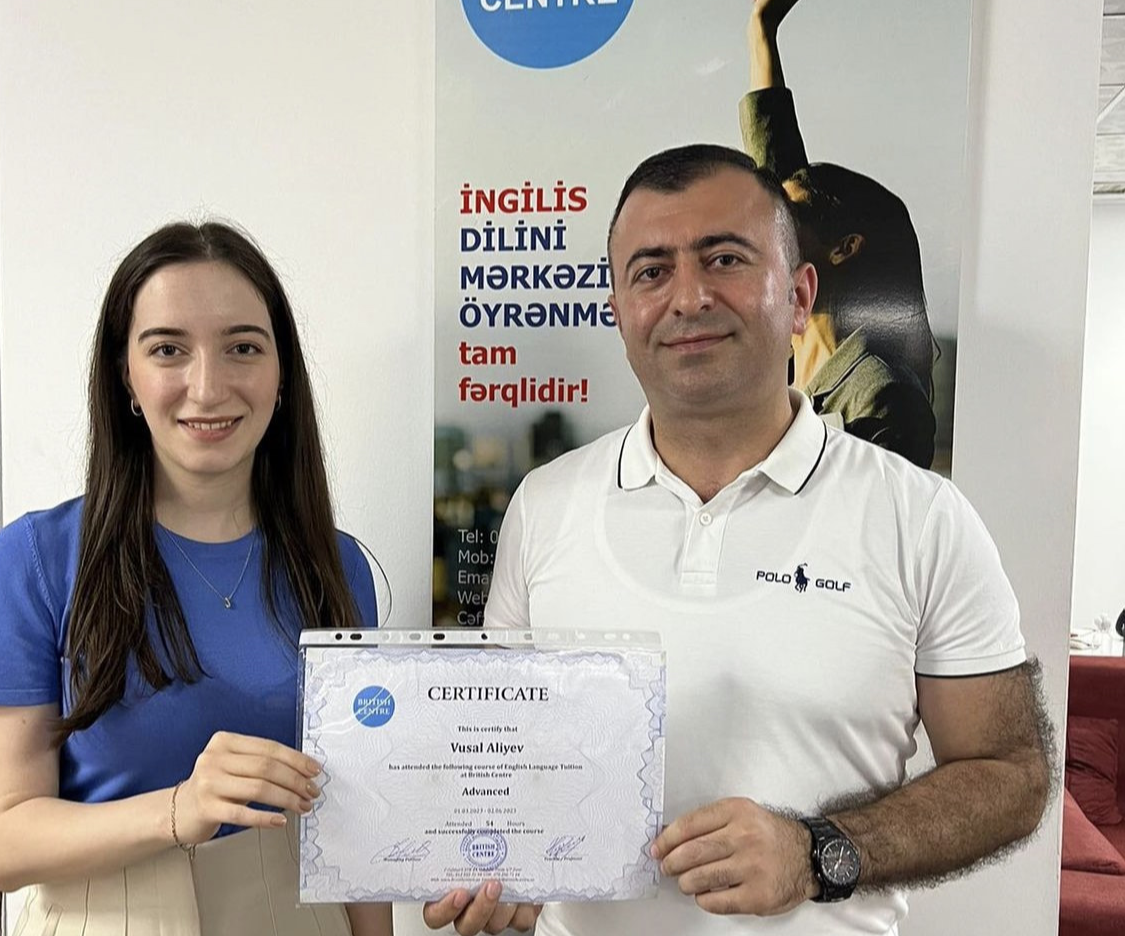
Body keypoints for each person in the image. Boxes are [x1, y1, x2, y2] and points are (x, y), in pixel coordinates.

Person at [424, 146, 1050, 935]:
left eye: (724, 259)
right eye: (651, 271)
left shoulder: (920, 516)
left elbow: (1011, 773)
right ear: (619, 311)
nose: (688, 297)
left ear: (798, 296)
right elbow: (504, 756)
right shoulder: (545, 504)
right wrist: (496, 864)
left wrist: (818, 852)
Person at [0, 221, 392, 936]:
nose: (208, 386)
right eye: (168, 349)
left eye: (243, 348)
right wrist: (178, 809)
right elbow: (1, 843)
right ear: (125, 376)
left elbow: (351, 816)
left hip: (294, 913)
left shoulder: (336, 565)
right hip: (104, 914)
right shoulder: (31, 560)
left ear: (282, 375)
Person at [741, 0, 938, 468]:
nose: (765, 225)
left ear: (844, 249)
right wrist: (761, 30)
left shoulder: (884, 397)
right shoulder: (792, 362)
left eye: (786, 216)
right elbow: (777, 161)